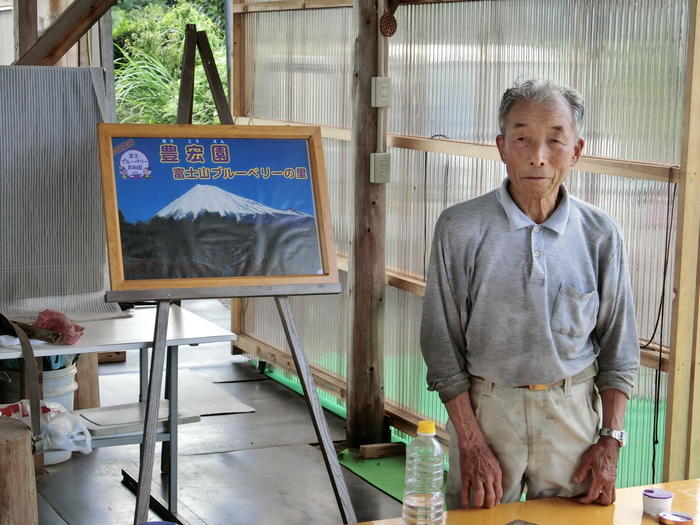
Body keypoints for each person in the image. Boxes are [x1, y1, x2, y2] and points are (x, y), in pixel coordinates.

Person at [420, 80, 640, 510]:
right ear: (501, 147)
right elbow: (440, 344)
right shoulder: (460, 227)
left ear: (576, 150)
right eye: (522, 139)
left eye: (555, 141)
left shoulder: (600, 234)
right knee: (476, 518)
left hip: (572, 413)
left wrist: (610, 442)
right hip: (487, 409)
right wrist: (470, 441)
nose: (538, 156)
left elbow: (619, 349)